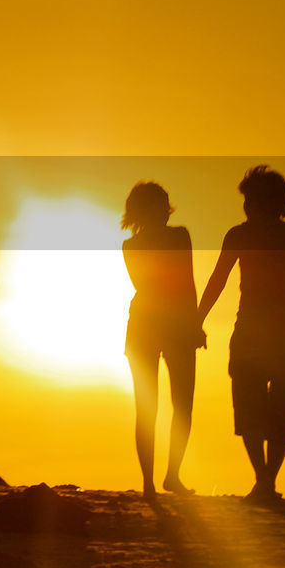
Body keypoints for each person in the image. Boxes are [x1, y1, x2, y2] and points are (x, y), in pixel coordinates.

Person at [198, 165, 285, 503]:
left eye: (250, 200)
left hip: (283, 334)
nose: (246, 207)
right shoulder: (243, 236)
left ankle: (264, 481)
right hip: (256, 332)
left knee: (275, 407)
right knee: (254, 406)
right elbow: (219, 279)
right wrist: (197, 318)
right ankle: (264, 481)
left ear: (268, 203)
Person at [122, 182, 206, 501]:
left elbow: (186, 280)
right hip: (149, 324)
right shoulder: (132, 246)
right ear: (143, 210)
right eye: (158, 204)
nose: (165, 210)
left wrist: (194, 324)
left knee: (182, 403)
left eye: (165, 204)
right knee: (149, 407)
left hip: (166, 323)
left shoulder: (175, 236)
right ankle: (148, 482)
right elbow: (170, 282)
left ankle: (172, 475)